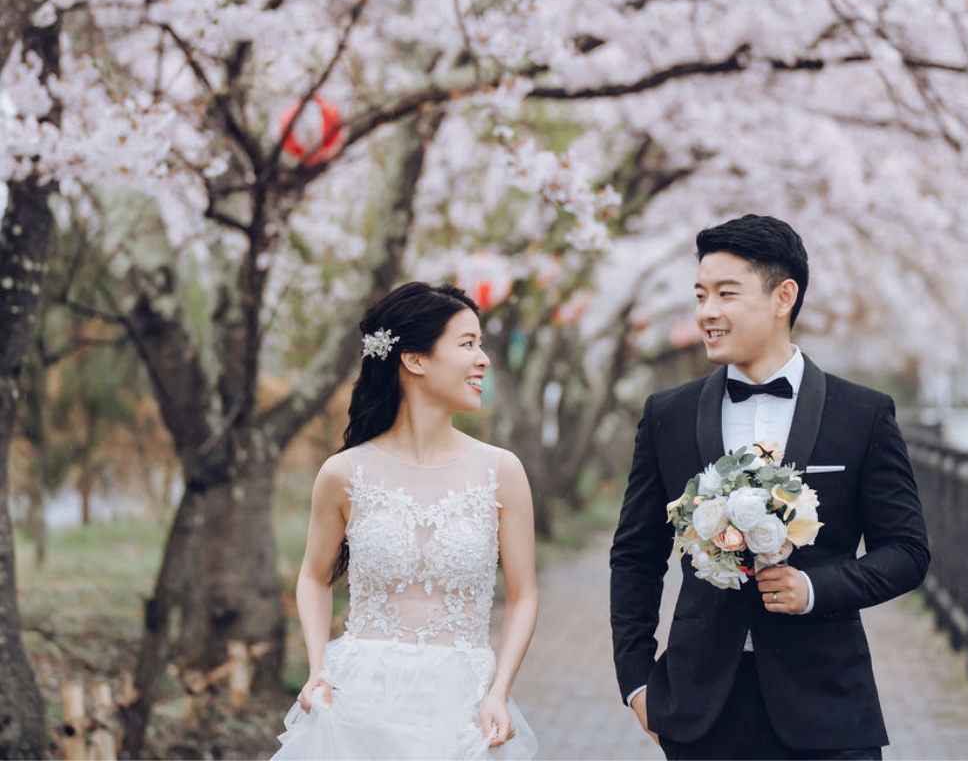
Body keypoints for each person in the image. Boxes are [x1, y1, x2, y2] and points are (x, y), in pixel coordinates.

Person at [610, 214, 930, 760]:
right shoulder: (667, 414)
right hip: (700, 707)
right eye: (700, 294)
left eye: (725, 293)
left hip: (828, 706)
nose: (706, 311)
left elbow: (906, 552)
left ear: (784, 296)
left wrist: (814, 590)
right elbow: (636, 555)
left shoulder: (862, 414)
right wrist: (637, 683)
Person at [272, 282, 538, 760]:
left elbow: (523, 596)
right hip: (356, 704)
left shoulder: (502, 472)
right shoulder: (343, 473)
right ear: (415, 360)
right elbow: (313, 577)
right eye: (468, 344)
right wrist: (317, 670)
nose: (484, 360)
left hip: (462, 705)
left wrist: (499, 691)